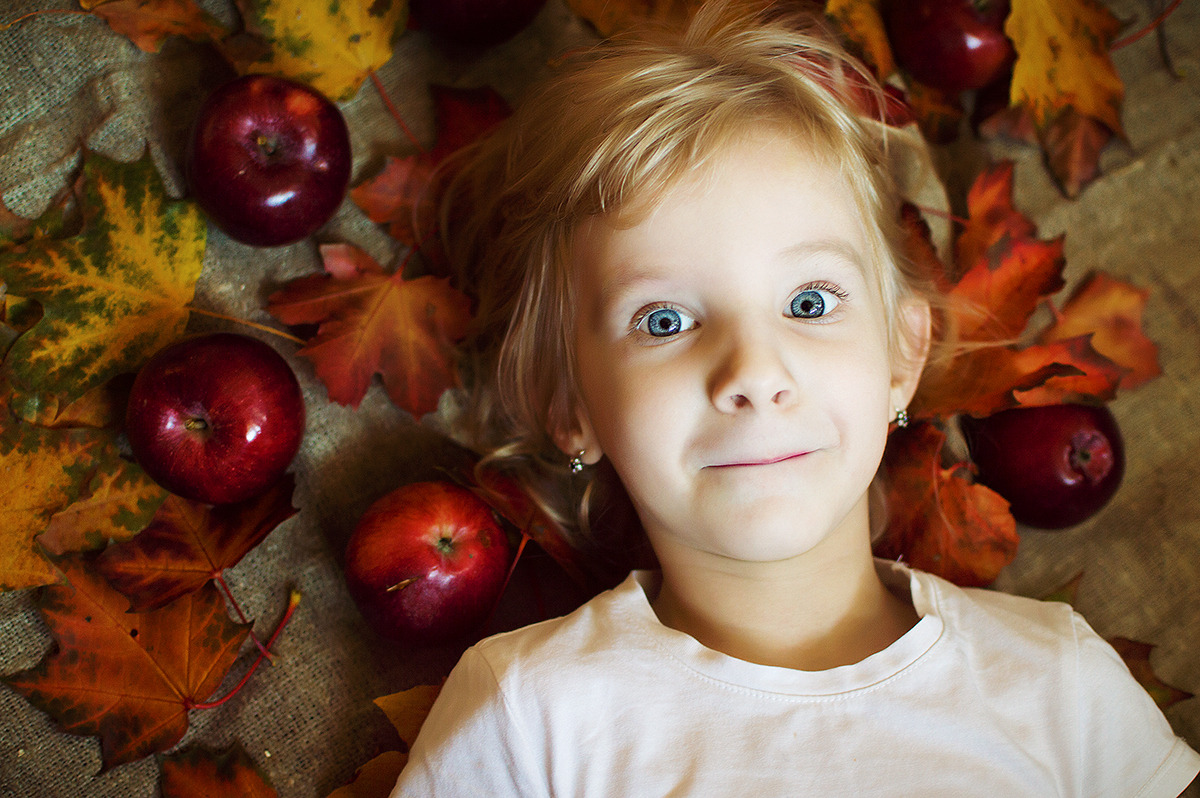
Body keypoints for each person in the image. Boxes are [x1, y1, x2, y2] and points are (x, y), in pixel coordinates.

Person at [391, 3, 1200, 795]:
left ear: (901, 354)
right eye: (664, 320)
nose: (752, 368)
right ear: (567, 402)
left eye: (810, 303)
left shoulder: (1057, 680)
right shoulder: (531, 719)